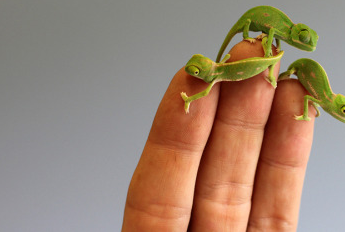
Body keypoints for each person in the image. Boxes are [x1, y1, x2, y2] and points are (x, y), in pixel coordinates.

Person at [122, 40, 316, 231]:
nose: (193, 74)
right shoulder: (220, 66)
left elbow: (204, 93)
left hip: (255, 71)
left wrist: (189, 99)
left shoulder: (215, 76)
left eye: (197, 72)